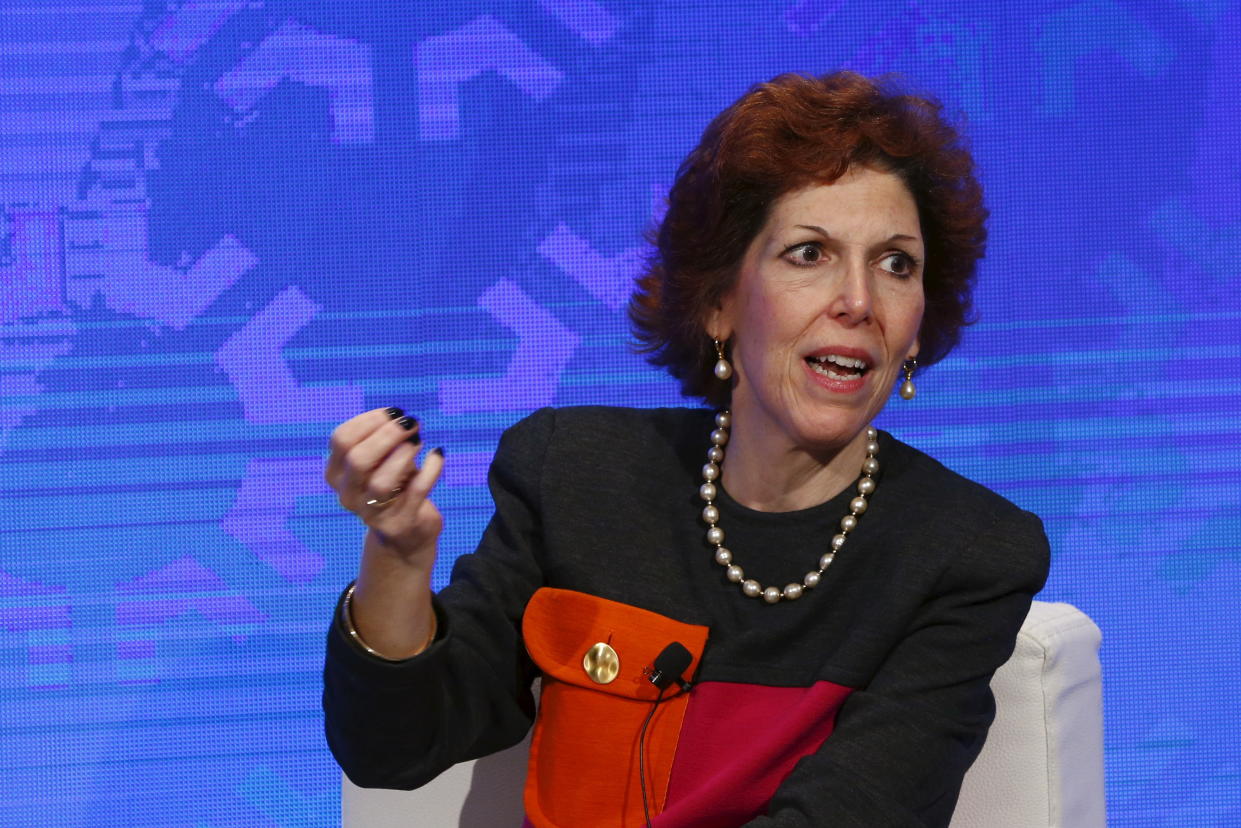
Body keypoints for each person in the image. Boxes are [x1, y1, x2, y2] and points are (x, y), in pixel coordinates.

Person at [322, 71, 1050, 827]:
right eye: (809, 253)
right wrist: (399, 562)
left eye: (896, 263)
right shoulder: (575, 476)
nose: (859, 301)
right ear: (716, 303)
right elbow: (394, 749)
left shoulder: (966, 553)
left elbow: (855, 810)